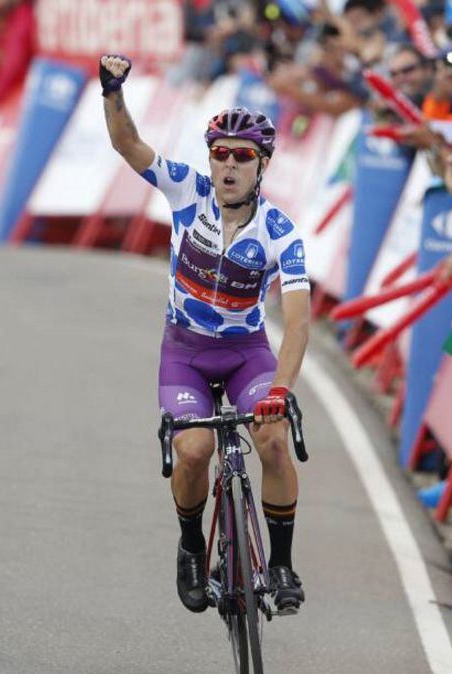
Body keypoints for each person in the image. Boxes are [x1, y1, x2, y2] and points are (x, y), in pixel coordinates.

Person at [99, 54, 310, 615]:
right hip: (186, 352)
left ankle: (282, 563)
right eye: (221, 154)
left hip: (246, 354)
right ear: (210, 160)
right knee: (193, 450)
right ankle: (192, 548)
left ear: (262, 165)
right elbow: (128, 145)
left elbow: (299, 319)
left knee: (271, 439)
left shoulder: (279, 231)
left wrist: (280, 390)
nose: (229, 165)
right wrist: (112, 92)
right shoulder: (185, 192)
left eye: (243, 156)